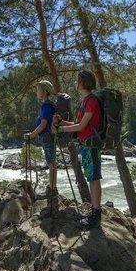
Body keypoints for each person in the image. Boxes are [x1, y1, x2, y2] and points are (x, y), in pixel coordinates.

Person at [53, 69, 102, 229]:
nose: (75, 83)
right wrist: (61, 123)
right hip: (86, 144)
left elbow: (81, 126)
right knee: (91, 178)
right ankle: (94, 212)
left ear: (84, 82)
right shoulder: (84, 101)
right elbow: (77, 125)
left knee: (94, 179)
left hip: (92, 145)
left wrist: (60, 130)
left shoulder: (91, 101)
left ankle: (96, 215)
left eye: (77, 80)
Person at [24, 79, 57, 196]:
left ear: (44, 91)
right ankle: (52, 188)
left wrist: (31, 136)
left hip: (48, 137)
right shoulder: (47, 105)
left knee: (51, 163)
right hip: (48, 137)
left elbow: (43, 125)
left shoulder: (47, 106)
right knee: (51, 162)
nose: (37, 91)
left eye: (38, 89)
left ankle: (52, 190)